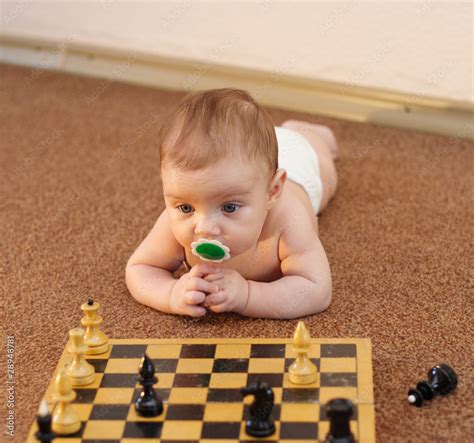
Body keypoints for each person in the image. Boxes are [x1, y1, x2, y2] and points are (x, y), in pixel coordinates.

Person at [125, 88, 339, 319]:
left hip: (299, 165)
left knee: (325, 167)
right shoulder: (174, 220)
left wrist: (248, 295)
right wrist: (170, 293)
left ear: (272, 191)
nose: (204, 227)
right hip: (251, 164)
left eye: (229, 207)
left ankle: (310, 134)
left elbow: (316, 289)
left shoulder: (287, 221)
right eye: (186, 208)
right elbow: (140, 269)